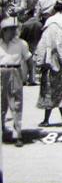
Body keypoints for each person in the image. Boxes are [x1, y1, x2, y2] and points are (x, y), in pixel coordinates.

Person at [35, 11, 62, 127]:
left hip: (48, 70)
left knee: (48, 93)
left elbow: (40, 51)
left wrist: (42, 63)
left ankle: (46, 120)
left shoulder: (45, 34)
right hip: (60, 70)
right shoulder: (61, 35)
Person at [0, 15, 32, 146]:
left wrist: (31, 75)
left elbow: (29, 60)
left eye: (15, 28)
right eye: (10, 29)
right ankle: (3, 130)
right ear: (3, 30)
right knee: (2, 105)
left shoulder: (21, 43)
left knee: (16, 104)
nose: (14, 31)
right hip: (1, 72)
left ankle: (18, 134)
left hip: (15, 73)